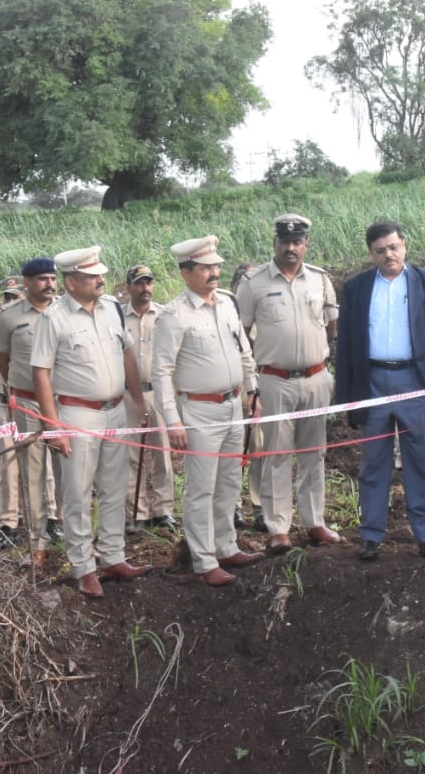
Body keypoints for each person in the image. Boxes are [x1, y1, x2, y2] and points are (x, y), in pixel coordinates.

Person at [32, 246, 151, 599]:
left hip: (115, 411)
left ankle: (113, 556)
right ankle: (83, 566)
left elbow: (126, 355)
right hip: (78, 415)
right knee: (78, 493)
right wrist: (53, 426)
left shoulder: (112, 309)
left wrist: (138, 400)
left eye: (100, 274)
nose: (100, 280)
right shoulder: (53, 319)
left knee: (115, 487)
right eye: (91, 276)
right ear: (71, 282)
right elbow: (41, 374)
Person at [336, 221, 425, 561]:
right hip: (373, 382)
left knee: (421, 461)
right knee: (373, 462)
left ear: (404, 246)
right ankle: (371, 535)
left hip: (416, 382)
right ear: (371, 254)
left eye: (393, 247)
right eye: (380, 250)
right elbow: (346, 344)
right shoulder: (356, 288)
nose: (388, 254)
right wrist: (348, 397)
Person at [154, 236, 264, 587]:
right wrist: (172, 420)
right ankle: (203, 559)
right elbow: (161, 372)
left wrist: (252, 390)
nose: (214, 273)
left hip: (232, 405)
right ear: (186, 272)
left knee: (229, 481)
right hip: (198, 410)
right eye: (205, 268)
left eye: (216, 266)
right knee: (201, 487)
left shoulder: (227, 304)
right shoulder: (174, 315)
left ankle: (226, 545)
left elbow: (243, 350)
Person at [235, 214, 341, 554]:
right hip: (274, 380)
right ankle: (278, 527)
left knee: (314, 453)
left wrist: (320, 361)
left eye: (297, 242)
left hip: (315, 378)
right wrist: (250, 385)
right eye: (285, 241)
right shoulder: (253, 283)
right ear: (275, 243)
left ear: (306, 244)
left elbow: (331, 326)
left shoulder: (320, 280)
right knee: (276, 454)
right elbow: (240, 336)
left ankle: (314, 522)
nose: (291, 248)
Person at [0, 258, 64, 567]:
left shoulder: (64, 311)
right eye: (42, 279)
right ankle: (38, 542)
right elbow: (1, 361)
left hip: (62, 403)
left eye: (52, 278)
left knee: (68, 472)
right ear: (27, 283)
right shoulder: (9, 317)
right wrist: (19, 389)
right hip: (28, 404)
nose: (49, 284)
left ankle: (74, 537)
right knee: (32, 473)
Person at [122, 264, 177, 532]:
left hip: (159, 392)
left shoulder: (164, 316)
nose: (145, 288)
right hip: (128, 395)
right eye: (139, 283)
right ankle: (137, 512)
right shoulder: (118, 318)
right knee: (132, 455)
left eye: (148, 283)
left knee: (162, 453)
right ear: (129, 287)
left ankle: (163, 510)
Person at [0, 275, 25, 545]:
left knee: (42, 467)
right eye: (6, 297)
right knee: (7, 467)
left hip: (31, 406)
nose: (9, 302)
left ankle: (48, 520)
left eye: (15, 296)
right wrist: (5, 392)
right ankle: (9, 522)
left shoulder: (37, 325)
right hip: (4, 403)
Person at [229, 262, 266, 532]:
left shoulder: (262, 315)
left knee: (259, 450)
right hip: (234, 390)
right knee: (233, 451)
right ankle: (232, 504)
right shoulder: (225, 315)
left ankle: (260, 505)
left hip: (261, 389)